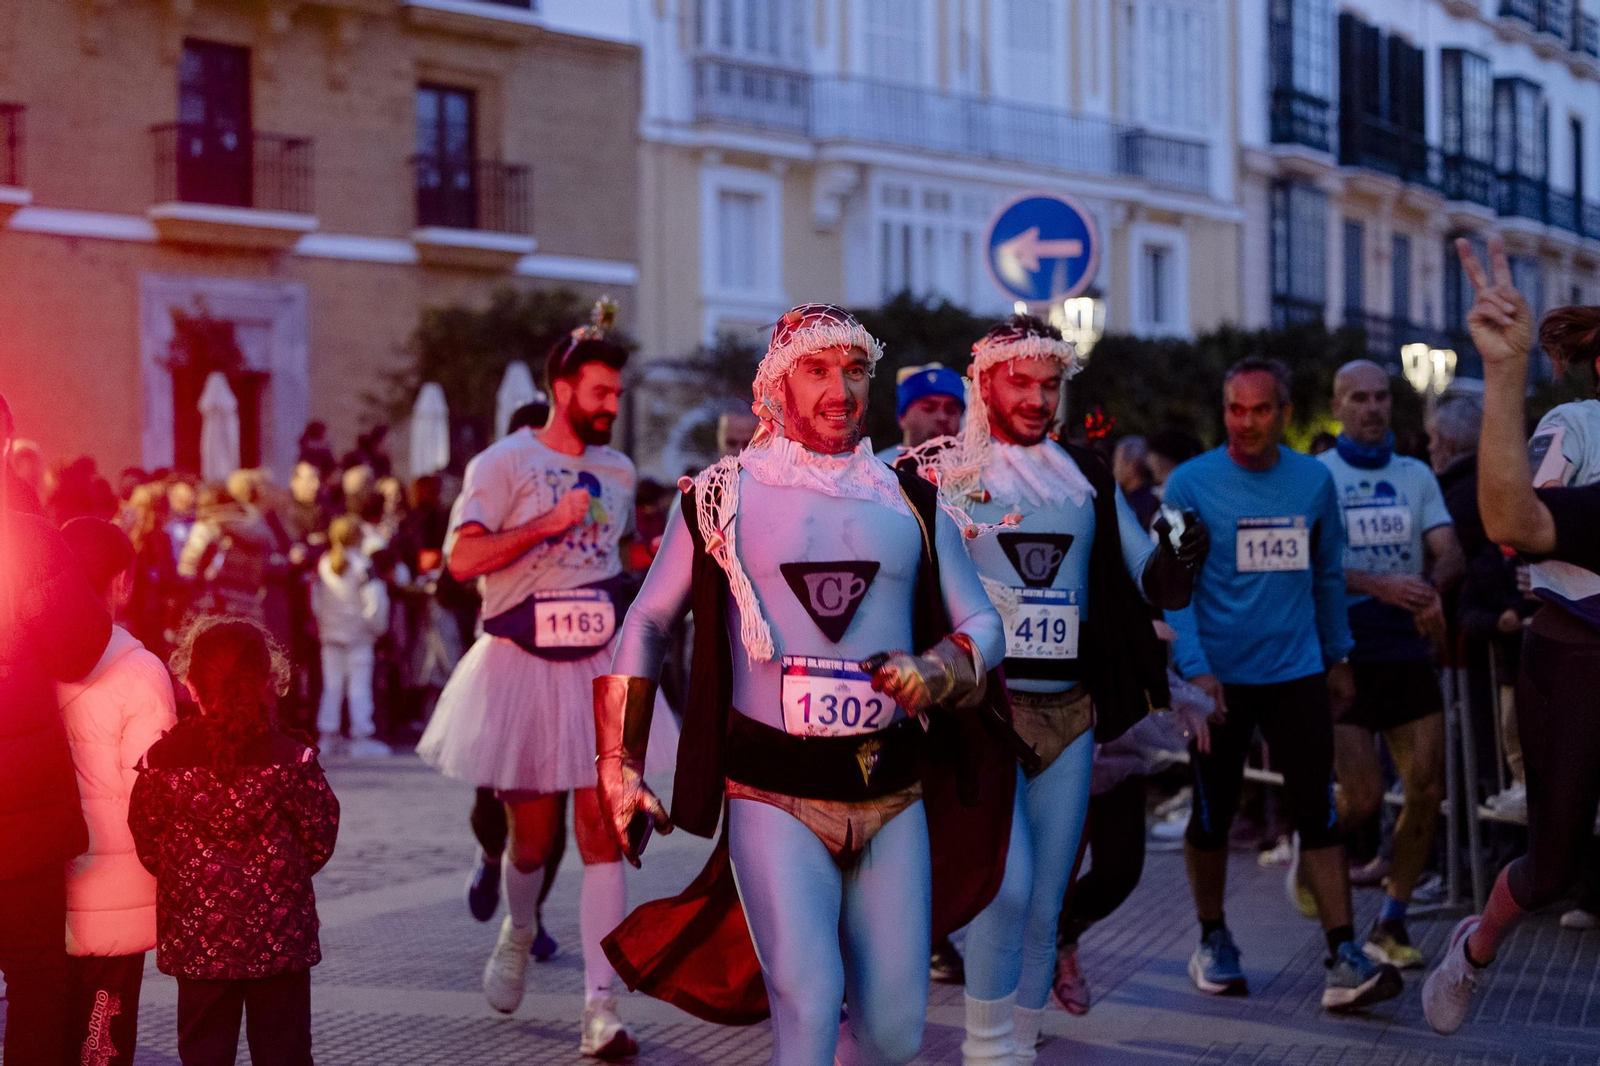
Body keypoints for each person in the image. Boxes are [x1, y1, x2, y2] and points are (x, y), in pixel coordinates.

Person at [599, 303, 1016, 1066]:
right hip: (772, 792)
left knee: (893, 1035)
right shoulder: (721, 497)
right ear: (776, 383)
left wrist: (938, 669)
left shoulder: (912, 498)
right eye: (817, 370)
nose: (840, 389)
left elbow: (984, 624)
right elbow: (646, 622)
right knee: (808, 1000)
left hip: (892, 794)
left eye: (855, 370)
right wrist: (617, 766)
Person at [901, 314, 1205, 1064]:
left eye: (1050, 383)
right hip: (983, 712)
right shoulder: (942, 473)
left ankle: (1021, 1046)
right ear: (984, 382)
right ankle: (985, 1049)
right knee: (1006, 888)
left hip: (1070, 712)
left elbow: (1146, 574)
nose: (1038, 398)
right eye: (1021, 382)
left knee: (1043, 904)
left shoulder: (1086, 475)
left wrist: (1179, 558)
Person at [417, 299, 658, 1058]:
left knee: (602, 835)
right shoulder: (504, 463)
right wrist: (547, 525)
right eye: (600, 394)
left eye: (617, 395)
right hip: (520, 663)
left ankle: (600, 1008)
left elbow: (610, 565)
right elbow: (462, 562)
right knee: (532, 840)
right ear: (563, 389)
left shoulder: (618, 469)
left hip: (594, 665)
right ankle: (518, 931)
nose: (611, 407)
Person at [1163, 356, 1403, 1012]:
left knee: (1319, 815)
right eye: (1234, 409)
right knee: (1212, 818)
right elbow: (1172, 586)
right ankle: (1213, 938)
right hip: (1219, 681)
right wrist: (1196, 668)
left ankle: (1344, 954)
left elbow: (1327, 574)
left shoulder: (1311, 483)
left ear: (1286, 414)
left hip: (1297, 672)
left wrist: (1339, 655)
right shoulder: (1188, 483)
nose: (1245, 422)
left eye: (1260, 409)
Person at [1422, 239, 1600, 1033]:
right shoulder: (1581, 428)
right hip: (1574, 657)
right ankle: (1477, 945)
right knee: (1553, 866)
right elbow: (1514, 520)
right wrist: (1503, 370)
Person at [128, 616, 339, 1066]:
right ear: (268, 681)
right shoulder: (294, 761)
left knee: (203, 1053)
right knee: (285, 1053)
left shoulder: (161, 763)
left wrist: (189, 880)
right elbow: (319, 840)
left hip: (199, 937)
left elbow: (148, 842)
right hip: (279, 937)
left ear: (190, 685)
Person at [1311, 361, 1464, 969]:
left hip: (1405, 648)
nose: (1373, 408)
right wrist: (1378, 585)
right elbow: (1309, 567)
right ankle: (1312, 833)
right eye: (1360, 398)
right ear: (1338, 404)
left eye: (1381, 397)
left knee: (1426, 788)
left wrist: (1429, 589)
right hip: (1343, 649)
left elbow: (1449, 551)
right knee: (1364, 797)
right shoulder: (1316, 477)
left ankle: (1392, 921)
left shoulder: (1415, 474)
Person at [0, 393, 111, 1066]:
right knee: (37, 972)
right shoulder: (28, 541)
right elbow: (80, 648)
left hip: (24, 809)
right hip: (21, 809)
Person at [56, 518, 178, 1066]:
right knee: (101, 1041)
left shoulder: (27, 662)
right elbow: (150, 796)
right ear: (123, 582)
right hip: (117, 889)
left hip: (41, 884)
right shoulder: (142, 672)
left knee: (42, 1027)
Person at [312, 516, 392, 757]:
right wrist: (376, 629)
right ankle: (361, 735)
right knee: (359, 685)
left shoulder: (324, 563)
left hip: (330, 634)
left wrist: (322, 624)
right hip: (358, 635)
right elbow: (375, 602)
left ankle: (329, 734)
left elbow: (315, 600)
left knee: (332, 685)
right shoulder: (364, 565)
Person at [875, 362, 966, 464]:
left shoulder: (980, 473)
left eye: (951, 410)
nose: (942, 417)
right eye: (929, 408)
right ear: (902, 417)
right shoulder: (879, 471)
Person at [1111, 435, 1161, 530]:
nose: (1114, 470)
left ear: (1132, 466)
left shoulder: (1129, 506)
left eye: (1116, 462)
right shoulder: (1158, 497)